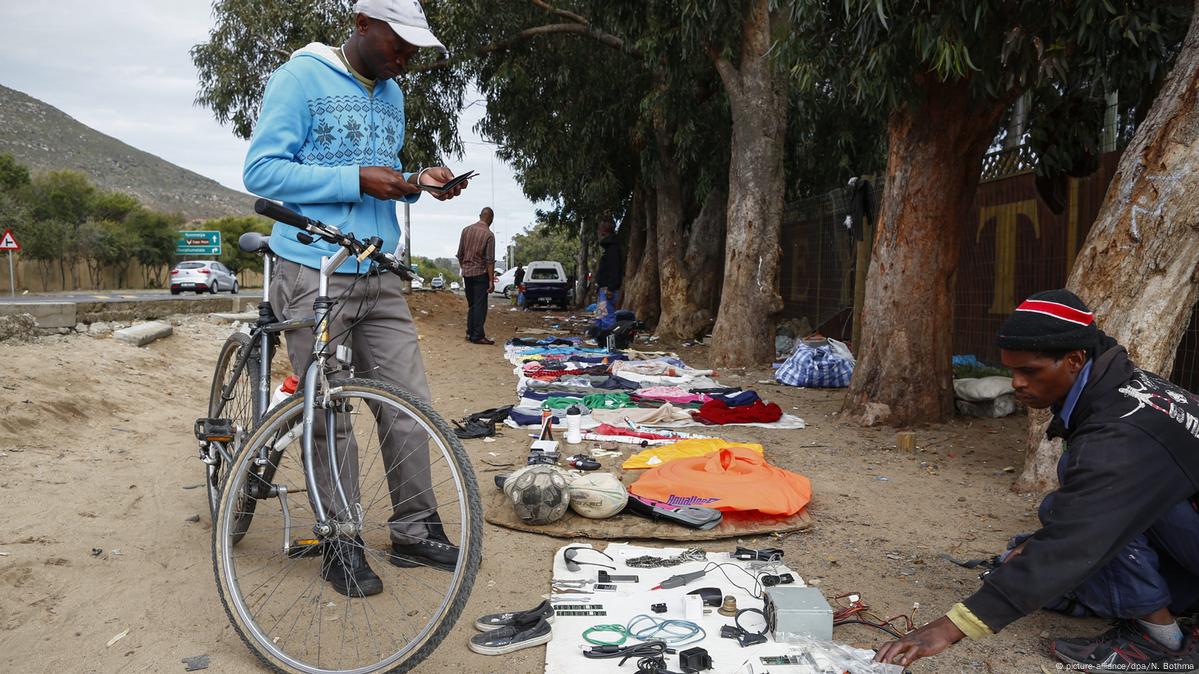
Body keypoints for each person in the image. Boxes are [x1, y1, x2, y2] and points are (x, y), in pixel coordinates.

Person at [242, 0, 468, 597]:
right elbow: (261, 171)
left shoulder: (391, 93)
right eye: (399, 43)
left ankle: (415, 529)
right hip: (314, 269)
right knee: (329, 409)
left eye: (414, 50)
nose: (406, 58)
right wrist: (355, 178)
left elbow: (382, 176)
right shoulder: (298, 78)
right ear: (363, 25)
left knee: (409, 404)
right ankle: (340, 539)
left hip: (379, 267)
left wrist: (416, 182)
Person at [875, 289, 1199, 671]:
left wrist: (952, 626)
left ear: (1075, 359)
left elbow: (1079, 537)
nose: (1016, 384)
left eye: (1029, 371)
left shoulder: (1120, 434)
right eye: (1012, 370)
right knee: (1061, 517)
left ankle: (1161, 642)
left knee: (1093, 522)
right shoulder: (1125, 387)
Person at [456, 207, 495, 344]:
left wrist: (464, 268)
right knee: (480, 305)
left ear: (480, 216)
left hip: (467, 274)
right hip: (480, 274)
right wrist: (491, 281)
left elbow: (460, 254)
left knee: (472, 304)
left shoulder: (466, 230)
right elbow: (489, 260)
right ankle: (478, 336)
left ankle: (469, 333)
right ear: (491, 219)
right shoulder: (489, 235)